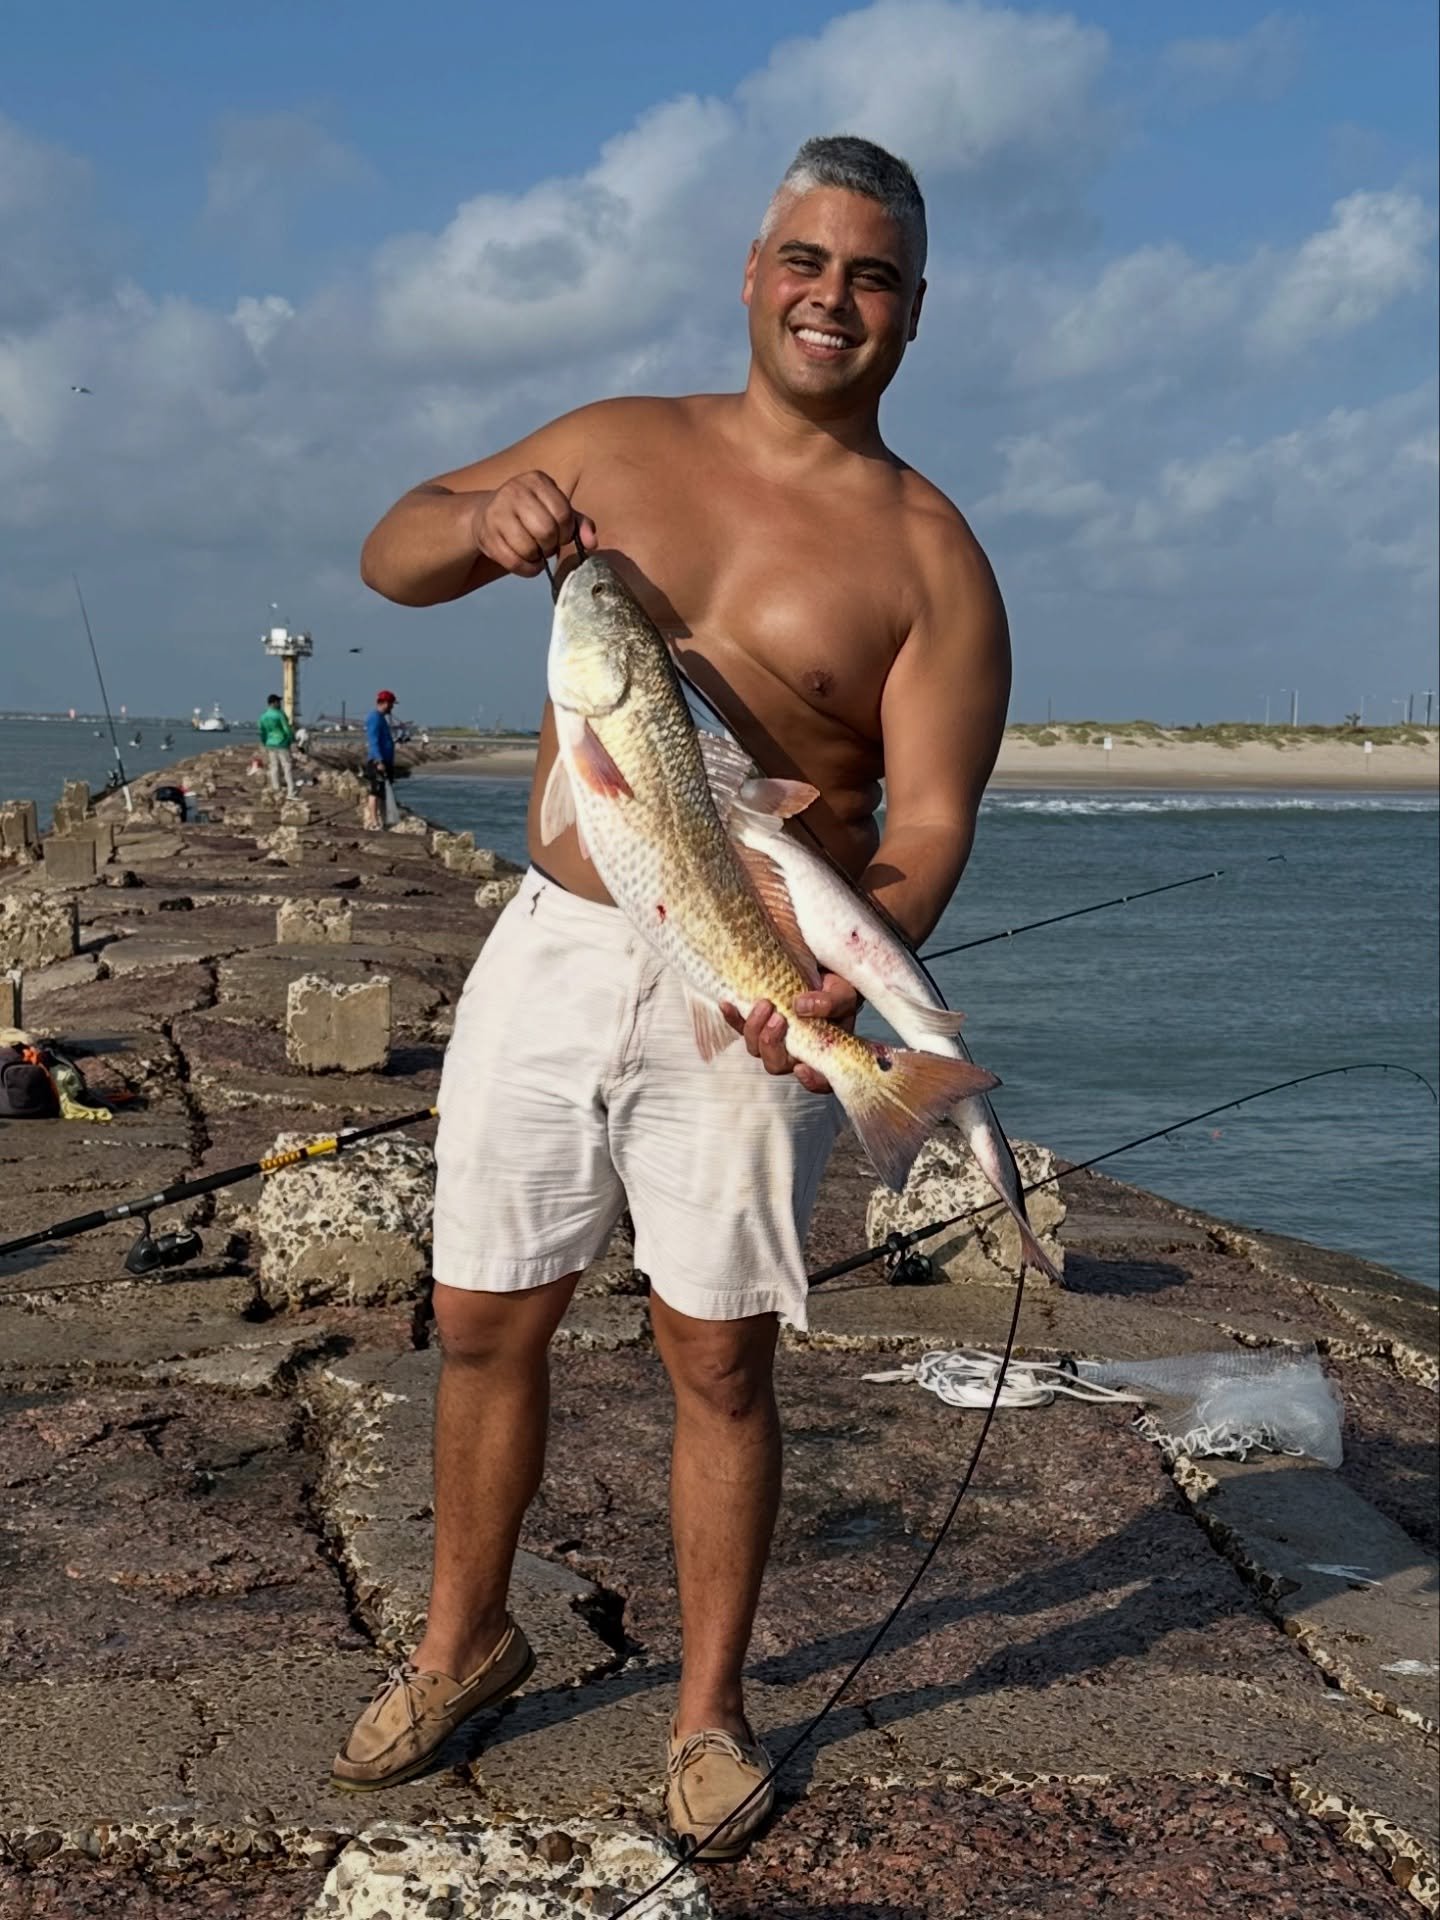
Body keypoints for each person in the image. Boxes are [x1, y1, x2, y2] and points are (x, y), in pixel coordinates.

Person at [336, 135, 1011, 1857]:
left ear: (914, 313)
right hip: (558, 942)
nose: (831, 298)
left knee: (717, 1358)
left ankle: (708, 1712)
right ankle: (461, 1643)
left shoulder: (934, 561)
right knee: (485, 1312)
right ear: (751, 270)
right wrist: (482, 524)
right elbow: (392, 552)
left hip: (751, 977)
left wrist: (817, 1005)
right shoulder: (616, 446)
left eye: (871, 275)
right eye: (806, 260)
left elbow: (926, 821)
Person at [363, 690, 397, 828]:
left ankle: (383, 820)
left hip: (384, 761)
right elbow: (373, 740)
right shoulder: (374, 717)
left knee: (382, 792)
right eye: (391, 704)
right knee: (375, 791)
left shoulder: (380, 718)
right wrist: (379, 760)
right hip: (378, 762)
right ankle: (374, 821)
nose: (392, 707)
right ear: (385, 703)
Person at [257, 694, 296, 798]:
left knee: (274, 767)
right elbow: (286, 729)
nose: (280, 704)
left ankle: (276, 789)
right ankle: (291, 792)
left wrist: (265, 742)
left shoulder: (263, 716)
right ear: (273, 703)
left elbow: (262, 732)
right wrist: (292, 740)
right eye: (278, 702)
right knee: (287, 767)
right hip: (282, 743)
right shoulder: (279, 714)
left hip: (270, 744)